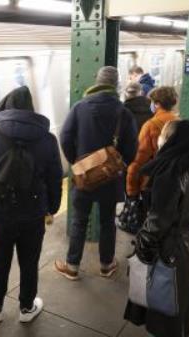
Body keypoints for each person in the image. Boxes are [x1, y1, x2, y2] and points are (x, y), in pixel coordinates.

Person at [0, 86, 63, 323]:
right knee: (29, 262)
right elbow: (55, 176)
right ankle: (26, 308)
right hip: (33, 214)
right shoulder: (47, 138)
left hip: (0, 212)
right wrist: (52, 207)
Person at [124, 120, 189, 337]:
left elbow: (159, 218)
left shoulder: (170, 172)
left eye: (163, 135)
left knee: (163, 301)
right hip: (188, 242)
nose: (160, 139)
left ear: (171, 140)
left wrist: (143, 246)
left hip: (168, 247)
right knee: (179, 300)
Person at [55, 66, 137, 279]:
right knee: (108, 221)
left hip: (84, 178)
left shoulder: (79, 107)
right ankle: (106, 264)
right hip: (111, 179)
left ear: (97, 82)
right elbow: (132, 149)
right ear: (116, 84)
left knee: (79, 220)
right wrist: (119, 165)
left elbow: (64, 138)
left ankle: (72, 266)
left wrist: (78, 162)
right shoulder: (124, 112)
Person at [120, 87, 180, 234]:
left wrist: (131, 189)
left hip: (153, 182)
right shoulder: (180, 122)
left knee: (151, 221)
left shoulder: (151, 125)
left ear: (157, 104)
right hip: (176, 178)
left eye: (152, 102)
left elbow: (138, 160)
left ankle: (148, 251)